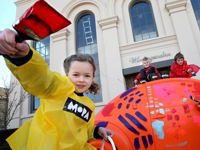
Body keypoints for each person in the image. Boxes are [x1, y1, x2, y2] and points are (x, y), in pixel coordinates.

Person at [0, 29, 114, 150]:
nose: (81, 80)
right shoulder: (59, 86)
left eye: (87, 76)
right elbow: (41, 78)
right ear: (67, 75)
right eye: (76, 75)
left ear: (92, 78)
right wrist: (24, 57)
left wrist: (97, 131)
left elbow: (84, 129)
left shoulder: (89, 105)